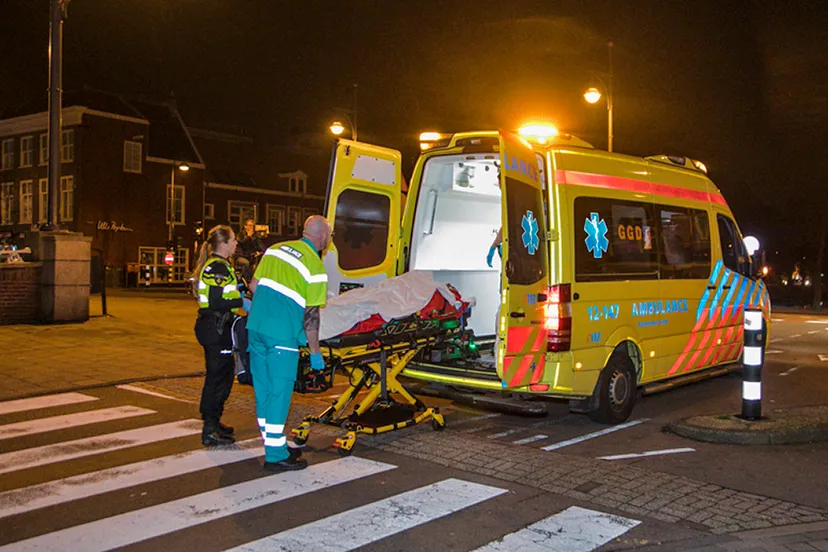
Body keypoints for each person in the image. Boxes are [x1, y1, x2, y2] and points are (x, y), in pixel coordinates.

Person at [246, 215, 332, 472]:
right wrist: (315, 353)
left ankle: (274, 443)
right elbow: (311, 316)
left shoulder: (274, 250)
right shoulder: (315, 267)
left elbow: (253, 285)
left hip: (256, 329)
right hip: (281, 336)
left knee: (263, 391)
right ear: (323, 238)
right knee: (279, 394)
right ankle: (274, 455)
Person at [193, 224, 243, 446]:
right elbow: (216, 301)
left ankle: (214, 421)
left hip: (216, 327)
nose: (236, 243)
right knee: (218, 377)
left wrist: (238, 289)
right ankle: (210, 427)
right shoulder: (217, 267)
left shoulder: (220, 266)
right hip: (216, 327)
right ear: (223, 243)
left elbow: (221, 294)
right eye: (233, 240)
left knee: (223, 375)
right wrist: (241, 301)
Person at [236, 218, 263, 284]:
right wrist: (248, 237)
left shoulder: (256, 237)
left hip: (253, 257)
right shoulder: (240, 236)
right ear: (245, 226)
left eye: (253, 226)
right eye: (250, 225)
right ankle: (247, 281)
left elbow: (261, 247)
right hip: (242, 256)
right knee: (246, 263)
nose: (251, 227)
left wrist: (259, 252)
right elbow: (240, 249)